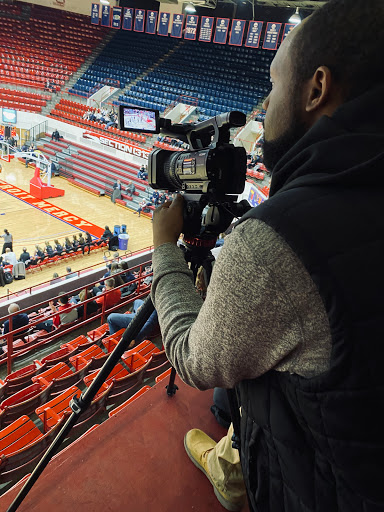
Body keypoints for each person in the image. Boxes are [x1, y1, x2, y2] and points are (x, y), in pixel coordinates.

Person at [150, 1, 384, 511]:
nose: (267, 102)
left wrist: (164, 246)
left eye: (275, 84)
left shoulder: (277, 238)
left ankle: (231, 471)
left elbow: (194, 359)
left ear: (316, 88)